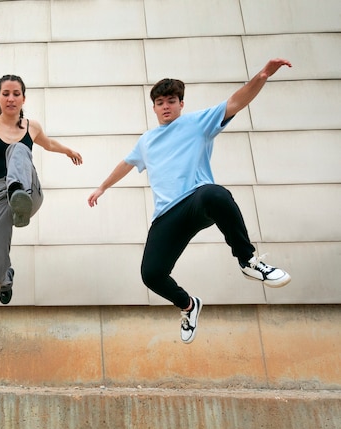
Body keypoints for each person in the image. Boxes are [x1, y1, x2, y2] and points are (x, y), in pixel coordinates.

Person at [88, 59, 292, 344]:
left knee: (215, 193)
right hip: (166, 216)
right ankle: (188, 306)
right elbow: (126, 163)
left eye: (171, 101)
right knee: (151, 274)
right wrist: (102, 187)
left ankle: (248, 261)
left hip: (196, 201)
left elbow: (236, 101)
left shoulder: (198, 123)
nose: (166, 106)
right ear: (154, 107)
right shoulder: (146, 141)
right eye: (160, 102)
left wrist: (262, 76)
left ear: (181, 104)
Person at [0, 35, 83, 305]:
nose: (11, 98)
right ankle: (4, 277)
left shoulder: (32, 127)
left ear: (23, 98)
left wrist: (67, 151)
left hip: (28, 191)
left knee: (18, 149)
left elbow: (48, 143)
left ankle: (17, 194)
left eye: (16, 94)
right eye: (5, 94)